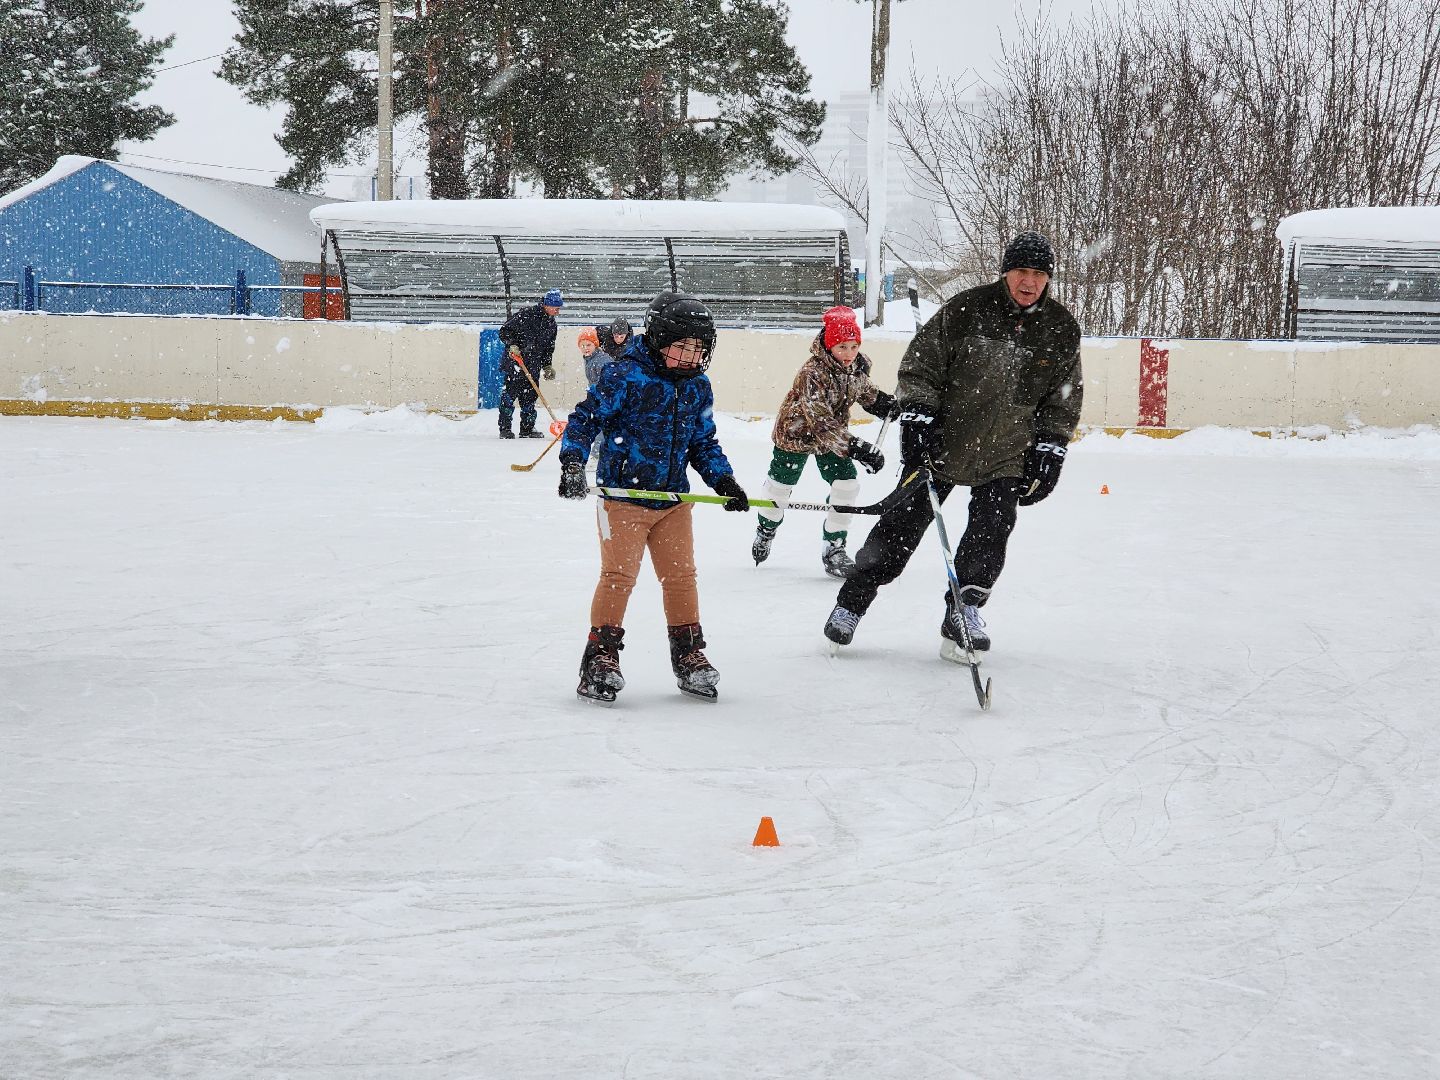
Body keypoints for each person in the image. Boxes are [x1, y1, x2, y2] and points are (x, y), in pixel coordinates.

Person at [823, 231, 1082, 662]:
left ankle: (963, 612)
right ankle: (851, 603)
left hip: (1007, 453)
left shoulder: (1059, 327)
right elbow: (921, 365)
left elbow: (1063, 397)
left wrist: (1052, 446)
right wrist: (919, 416)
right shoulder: (967, 309)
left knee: (990, 534)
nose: (1029, 282)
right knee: (899, 528)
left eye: (1039, 274)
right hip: (942, 444)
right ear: (1006, 272)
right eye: (1022, 271)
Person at [557, 292, 750, 704]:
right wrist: (572, 462)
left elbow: (702, 441)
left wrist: (724, 481)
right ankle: (600, 659)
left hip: (673, 500)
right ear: (661, 340)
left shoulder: (697, 385)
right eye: (682, 347)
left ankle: (689, 656)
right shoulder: (626, 375)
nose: (690, 357)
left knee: (681, 578)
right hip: (624, 496)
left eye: (699, 350)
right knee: (618, 577)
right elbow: (585, 418)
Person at [752, 305, 897, 577]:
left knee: (846, 485)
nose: (849, 353)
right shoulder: (812, 373)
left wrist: (882, 403)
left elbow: (864, 390)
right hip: (796, 435)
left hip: (831, 440)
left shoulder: (855, 367)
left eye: (854, 346)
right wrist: (857, 447)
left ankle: (834, 548)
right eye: (842, 347)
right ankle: (766, 528)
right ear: (829, 345)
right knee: (779, 489)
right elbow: (820, 422)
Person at [497, 288, 563, 439]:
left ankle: (527, 429)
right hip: (515, 363)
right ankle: (505, 429)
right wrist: (512, 345)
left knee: (530, 398)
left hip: (532, 366)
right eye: (556, 307)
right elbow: (505, 331)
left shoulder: (551, 325)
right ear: (547, 305)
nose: (558, 311)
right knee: (509, 397)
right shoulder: (526, 314)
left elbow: (548, 348)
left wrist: (547, 365)